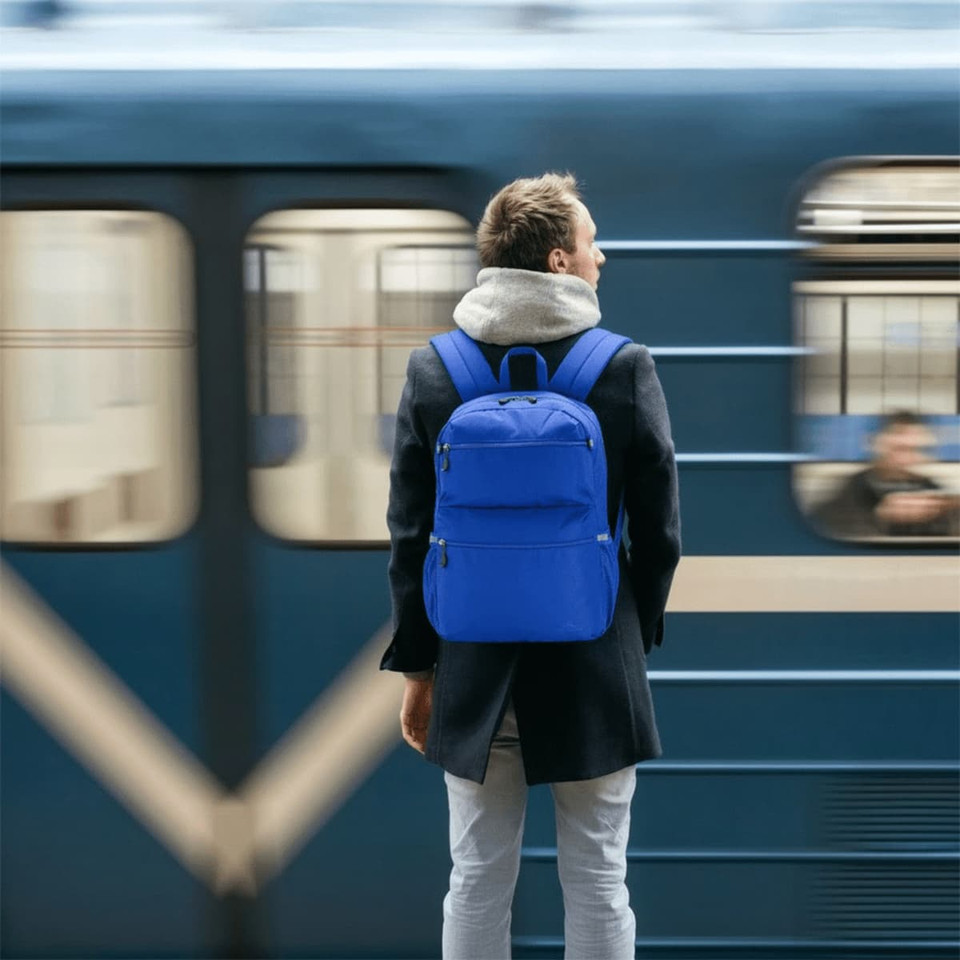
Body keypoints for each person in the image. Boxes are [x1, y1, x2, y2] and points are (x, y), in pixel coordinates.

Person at [380, 172, 681, 960]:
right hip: (592, 658)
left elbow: (410, 534)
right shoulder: (622, 368)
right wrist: (630, 629)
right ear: (557, 260)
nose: (601, 256)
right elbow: (660, 531)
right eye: (590, 242)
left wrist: (419, 670)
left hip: (475, 668)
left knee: (477, 876)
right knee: (598, 880)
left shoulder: (435, 372)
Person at [811, 410, 959, 538]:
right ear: (875, 444)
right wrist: (881, 517)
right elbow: (829, 532)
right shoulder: (849, 492)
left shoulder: (934, 493)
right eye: (899, 449)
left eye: (917, 450)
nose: (906, 460)